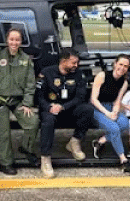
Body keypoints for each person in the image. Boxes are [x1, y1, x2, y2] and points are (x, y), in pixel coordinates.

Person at [37, 48, 95, 178]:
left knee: (87, 109)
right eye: (73, 62)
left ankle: (74, 142)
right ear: (63, 61)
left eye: (77, 63)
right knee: (48, 121)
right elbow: (39, 97)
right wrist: (49, 107)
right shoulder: (47, 73)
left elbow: (80, 97)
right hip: (50, 110)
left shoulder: (78, 74)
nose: (76, 65)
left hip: (68, 109)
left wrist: (62, 107)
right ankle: (45, 158)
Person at [0, 28, 40, 175]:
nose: (14, 42)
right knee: (3, 132)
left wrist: (27, 103)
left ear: (21, 41)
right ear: (7, 40)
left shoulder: (26, 60)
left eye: (17, 40)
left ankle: (26, 148)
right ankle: (6, 163)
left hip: (17, 101)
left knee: (33, 122)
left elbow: (30, 84)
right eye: (11, 39)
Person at [90, 54, 130, 174]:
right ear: (115, 63)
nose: (122, 68)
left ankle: (101, 141)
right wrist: (107, 113)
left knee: (125, 123)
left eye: (126, 66)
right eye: (120, 64)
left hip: (110, 107)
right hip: (97, 108)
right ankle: (123, 159)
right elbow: (93, 99)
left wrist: (115, 111)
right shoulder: (102, 75)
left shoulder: (124, 82)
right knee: (114, 128)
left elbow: (117, 101)